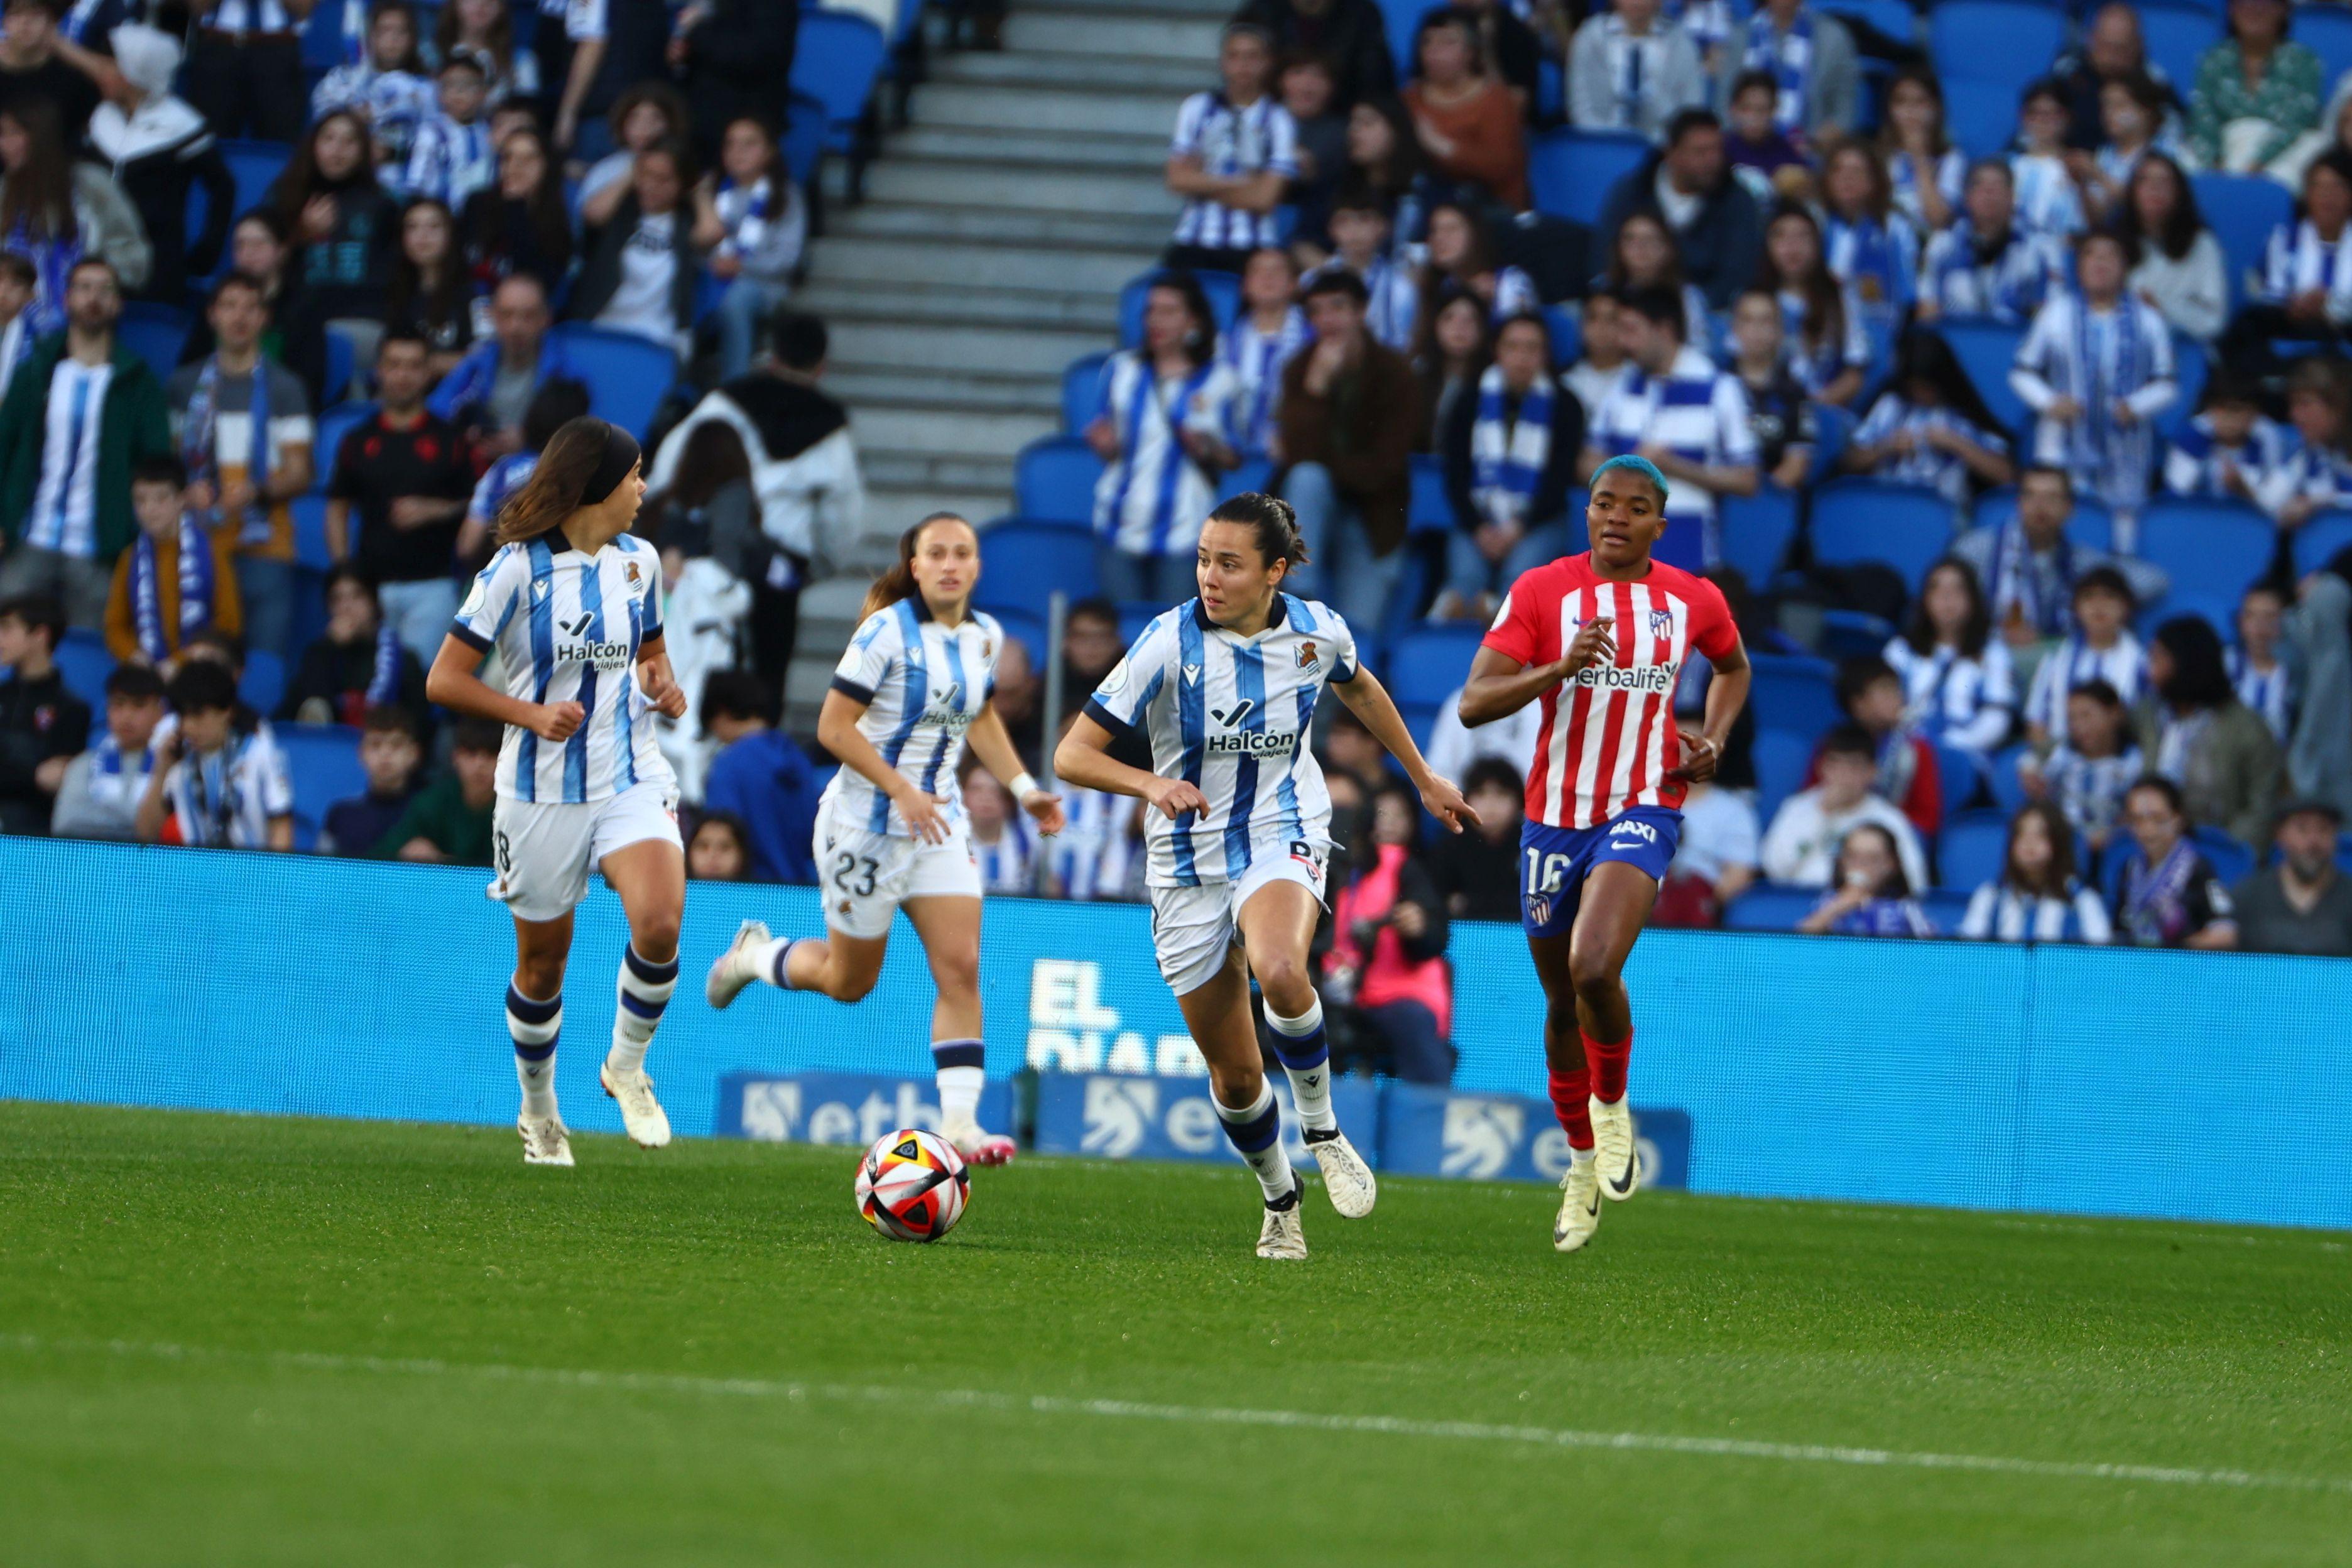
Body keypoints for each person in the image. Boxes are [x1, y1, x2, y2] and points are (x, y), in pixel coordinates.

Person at [1054, 491, 1472, 1259]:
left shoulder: (1318, 632)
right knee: (1238, 1077)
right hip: (1185, 862)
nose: (1210, 577)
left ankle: (1324, 1128)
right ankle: (1282, 1197)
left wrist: (1422, 777)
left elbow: (1362, 687)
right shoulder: (1166, 643)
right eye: (1205, 559)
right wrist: (1151, 784)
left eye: (1230, 564)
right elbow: (1071, 755)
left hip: (1281, 830)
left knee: (1282, 969)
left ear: (1274, 572)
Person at [705, 512, 1067, 1168]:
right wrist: (900, 788)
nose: (952, 564)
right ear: (917, 565)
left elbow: (979, 713)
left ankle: (960, 1121)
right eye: (938, 553)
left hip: (939, 825)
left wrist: (1021, 788)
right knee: (850, 983)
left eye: (964, 553)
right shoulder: (884, 632)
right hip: (864, 828)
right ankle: (755, 957)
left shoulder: (985, 636)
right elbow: (834, 728)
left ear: (977, 567)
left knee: (959, 968)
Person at [1454, 454, 1749, 1254]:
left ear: (1661, 522)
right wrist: (1557, 667)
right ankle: (1580, 1161)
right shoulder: (1544, 591)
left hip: (1645, 802)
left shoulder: (1693, 598)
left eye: (1635, 507)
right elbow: (1475, 702)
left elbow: (1734, 664)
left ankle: (1612, 1104)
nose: (1616, 516)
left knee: (1592, 968)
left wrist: (1714, 739)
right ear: (1585, 513)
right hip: (1554, 819)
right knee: (1559, 1003)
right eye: (1602, 503)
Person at [424, 415, 690, 1167]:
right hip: (540, 791)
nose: (643, 488)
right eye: (635, 474)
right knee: (544, 963)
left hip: (630, 774)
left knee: (661, 922)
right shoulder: (516, 569)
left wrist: (662, 688)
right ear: (598, 486)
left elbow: (653, 654)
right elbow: (444, 679)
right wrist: (531, 714)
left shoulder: (641, 563)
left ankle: (627, 1067)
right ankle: (539, 1107)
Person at [646, 312, 865, 691]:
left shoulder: (723, 404)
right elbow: (842, 518)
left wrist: (663, 533)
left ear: (771, 357)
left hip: (709, 555)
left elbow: (667, 473)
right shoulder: (832, 431)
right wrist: (816, 569)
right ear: (822, 366)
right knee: (765, 683)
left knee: (692, 666)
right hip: (777, 572)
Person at [0, 258, 171, 629]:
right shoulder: (37, 369)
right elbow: (3, 444)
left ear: (119, 304)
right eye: (84, 287)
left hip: (99, 548)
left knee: (90, 656)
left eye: (105, 288)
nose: (94, 297)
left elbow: (156, 463)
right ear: (66, 299)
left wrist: (128, 535)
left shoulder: (138, 382)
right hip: (29, 535)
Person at [165, 272, 317, 662]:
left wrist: (258, 491)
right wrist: (185, 490)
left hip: (266, 547)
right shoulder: (184, 385)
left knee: (263, 664)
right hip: (200, 545)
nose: (240, 317)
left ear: (265, 318)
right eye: (230, 306)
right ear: (213, 315)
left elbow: (302, 473)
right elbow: (170, 463)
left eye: (251, 308)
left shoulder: (286, 387)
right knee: (201, 667)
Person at [1276, 266, 1418, 631]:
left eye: (1337, 308)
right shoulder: (1301, 370)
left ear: (1360, 311)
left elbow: (1384, 468)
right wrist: (1316, 391)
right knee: (1307, 479)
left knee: (1356, 639)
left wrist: (1329, 464)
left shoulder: (1395, 371)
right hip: (1314, 507)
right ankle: (1300, 597)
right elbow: (1297, 459)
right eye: (1317, 311)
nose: (1327, 320)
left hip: (1374, 514)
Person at [1579, 285, 1759, 570]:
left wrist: (1672, 466)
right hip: (1619, 548)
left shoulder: (1719, 388)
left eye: (1631, 330)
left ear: (1663, 330)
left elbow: (1746, 480)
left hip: (1689, 547)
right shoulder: (1622, 386)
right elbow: (1587, 462)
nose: (1623, 342)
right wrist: (1629, 468)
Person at [1086, 271, 1239, 605]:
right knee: (1128, 636)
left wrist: (1205, 447)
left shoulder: (1220, 380)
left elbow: (1233, 457)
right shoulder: (1121, 369)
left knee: (1174, 637)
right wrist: (1104, 443)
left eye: (1170, 311)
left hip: (1186, 526)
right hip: (1119, 518)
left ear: (1193, 320)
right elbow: (1108, 438)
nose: (1157, 320)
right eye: (1152, 310)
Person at [2010, 230, 2178, 532]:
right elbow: (2022, 371)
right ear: (2079, 267)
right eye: (2091, 255)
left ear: (2125, 266)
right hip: (2062, 444)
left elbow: (2167, 382)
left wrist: (2136, 406)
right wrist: (2049, 402)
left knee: (2123, 530)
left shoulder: (2149, 320)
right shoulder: (2055, 314)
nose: (2100, 263)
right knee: (2060, 524)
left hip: (2125, 447)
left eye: (2109, 255)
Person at [325, 330, 477, 660]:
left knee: (416, 691)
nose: (403, 375)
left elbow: (479, 505)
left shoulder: (452, 440)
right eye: (394, 365)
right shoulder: (357, 439)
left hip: (432, 587)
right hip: (370, 589)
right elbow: (337, 507)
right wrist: (345, 574)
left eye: (413, 366)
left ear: (427, 373)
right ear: (378, 370)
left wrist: (437, 510)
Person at [1435, 311, 1582, 621]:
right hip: (1477, 519)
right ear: (1497, 351)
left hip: (1538, 521)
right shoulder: (1469, 399)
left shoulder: (1566, 404)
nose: (1522, 358)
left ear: (1545, 354)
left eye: (1532, 348)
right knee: (1464, 580)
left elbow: (1558, 481)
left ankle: (1502, 626)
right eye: (1513, 347)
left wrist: (1518, 528)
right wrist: (1479, 527)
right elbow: (1456, 475)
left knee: (1520, 580)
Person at [86, 22, 233, 308]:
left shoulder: (182, 125)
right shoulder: (99, 118)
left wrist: (206, 252)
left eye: (111, 66)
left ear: (133, 74)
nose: (102, 73)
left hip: (158, 262)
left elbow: (223, 187)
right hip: (95, 254)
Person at [1326, 780, 1454, 1084]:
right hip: (1333, 993)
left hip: (1397, 995)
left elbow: (1434, 938)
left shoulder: (1407, 869)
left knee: (1413, 1022)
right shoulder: (1331, 870)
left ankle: (1429, 1119)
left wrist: (1418, 927)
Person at [0, 97, 152, 334]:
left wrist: (93, 285)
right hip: (12, 330)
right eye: (3, 135)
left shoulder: (92, 185)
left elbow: (133, 256)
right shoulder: (3, 193)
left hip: (85, 328)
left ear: (42, 139)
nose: (5, 145)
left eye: (14, 134)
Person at [2135, 614, 2283, 848]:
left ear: (2186, 663)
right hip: (2152, 849)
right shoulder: (2149, 716)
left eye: (2158, 657)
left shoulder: (2248, 730)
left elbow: (2262, 809)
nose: (2149, 668)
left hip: (2218, 856)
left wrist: (2225, 854)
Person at [1596, 109, 1763, 311]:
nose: (1713, 161)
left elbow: (1737, 275)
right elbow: (1603, 260)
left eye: (1717, 150)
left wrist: (1685, 309)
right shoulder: (1632, 192)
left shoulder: (1737, 200)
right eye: (1701, 152)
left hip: (1707, 315)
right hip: (1630, 310)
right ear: (1672, 154)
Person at [1164, 24, 1297, 275]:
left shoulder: (1280, 119)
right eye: (1234, 56)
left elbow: (1265, 199)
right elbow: (1176, 179)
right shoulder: (1196, 107)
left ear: (1267, 62)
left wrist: (1201, 183)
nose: (1243, 65)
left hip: (1254, 244)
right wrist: (1247, 182)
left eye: (1252, 57)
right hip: (1193, 238)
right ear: (1223, 62)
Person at [692, 115, 807, 384]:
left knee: (737, 299)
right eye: (730, 145)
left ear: (770, 152)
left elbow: (787, 257)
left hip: (763, 283)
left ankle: (736, 386)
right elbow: (696, 246)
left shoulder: (787, 196)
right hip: (711, 277)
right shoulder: (711, 192)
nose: (737, 153)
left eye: (749, 144)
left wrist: (741, 266)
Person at [133, 655, 291, 850]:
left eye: (198, 715)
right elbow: (146, 833)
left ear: (227, 712)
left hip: (253, 873)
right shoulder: (179, 764)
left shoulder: (259, 753)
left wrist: (273, 878)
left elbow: (281, 827)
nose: (188, 727)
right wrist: (162, 770)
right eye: (183, 716)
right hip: (195, 873)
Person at [1844, 328, 2014, 508]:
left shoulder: (1963, 416)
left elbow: (2007, 476)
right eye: (1914, 387)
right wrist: (1886, 447)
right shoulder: (1889, 406)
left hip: (1944, 513)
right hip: (1886, 506)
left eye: (1926, 387)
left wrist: (1957, 444)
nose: (1921, 394)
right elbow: (1848, 463)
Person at [104, 454, 241, 666]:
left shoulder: (212, 552)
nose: (149, 510)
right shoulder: (130, 558)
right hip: (147, 675)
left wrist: (180, 663)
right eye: (140, 500)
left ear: (181, 500)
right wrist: (135, 657)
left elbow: (228, 623)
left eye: (161, 499)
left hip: (199, 672)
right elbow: (114, 626)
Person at [569, 139, 699, 359]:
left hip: (658, 335)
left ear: (681, 184)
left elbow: (713, 233)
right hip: (603, 324)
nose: (651, 186)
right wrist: (631, 173)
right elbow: (592, 214)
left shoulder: (686, 222)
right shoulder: (620, 210)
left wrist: (699, 193)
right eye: (646, 175)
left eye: (663, 179)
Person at [1760, 722, 1929, 890]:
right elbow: (1774, 869)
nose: (1843, 775)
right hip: (1796, 905)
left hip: (1862, 909)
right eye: (1835, 765)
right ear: (1822, 767)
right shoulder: (1797, 808)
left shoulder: (1889, 818)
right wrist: (1823, 815)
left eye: (1853, 767)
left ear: (1872, 772)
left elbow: (1915, 883)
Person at [2225, 151, 2352, 369]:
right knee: (2247, 325)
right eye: (2319, 187)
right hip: (2294, 327)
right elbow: (2271, 294)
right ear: (2307, 194)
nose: (2327, 197)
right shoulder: (2284, 239)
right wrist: (2296, 307)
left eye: (2337, 187)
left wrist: (2329, 308)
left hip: (2344, 332)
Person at [697, 666, 820, 885]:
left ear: (721, 711)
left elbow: (721, 840)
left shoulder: (728, 766)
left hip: (747, 895)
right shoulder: (798, 758)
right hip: (802, 895)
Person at [1883, 558, 2015, 761]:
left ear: (1973, 599)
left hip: (1966, 757)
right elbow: (1883, 708)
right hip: (1907, 755)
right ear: (1925, 599)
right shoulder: (1899, 650)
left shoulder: (1994, 653)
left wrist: (1947, 748)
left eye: (1957, 590)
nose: (1947, 598)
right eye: (1937, 590)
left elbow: (1997, 719)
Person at [428, 273, 573, 459]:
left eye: (528, 316)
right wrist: (465, 432)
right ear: (493, 316)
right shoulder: (476, 364)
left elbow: (577, 439)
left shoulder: (565, 374)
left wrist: (530, 441)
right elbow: (436, 413)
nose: (516, 327)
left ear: (546, 318)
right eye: (507, 315)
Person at [278, 564, 432, 733]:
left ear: (374, 602)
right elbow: (298, 712)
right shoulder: (319, 655)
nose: (347, 607)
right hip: (327, 751)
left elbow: (420, 724)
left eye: (357, 596)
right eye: (337, 599)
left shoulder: (402, 659)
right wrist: (328, 647)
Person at [1401, 9, 1525, 211]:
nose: (1434, 51)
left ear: (1470, 52)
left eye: (1448, 42)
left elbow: (1500, 168)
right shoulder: (1410, 99)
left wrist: (1441, 146)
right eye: (1427, 42)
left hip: (1489, 210)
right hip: (1425, 203)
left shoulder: (1495, 100)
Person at [2186, 0, 2322, 182]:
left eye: (2264, 3)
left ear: (2284, 10)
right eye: (2244, 3)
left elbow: (2297, 122)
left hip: (2282, 153)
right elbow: (2203, 117)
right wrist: (2215, 162)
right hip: (2225, 150)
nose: (2254, 10)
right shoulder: (2213, 59)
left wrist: (2257, 163)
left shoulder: (2304, 61)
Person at [1916, 160, 2064, 326]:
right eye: (1980, 186)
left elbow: (2048, 315)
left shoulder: (2038, 249)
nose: (1989, 193)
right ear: (1967, 197)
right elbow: (1928, 310)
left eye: (1998, 186)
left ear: (2012, 197)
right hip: (1956, 342)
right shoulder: (1943, 246)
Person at [1753, 201, 1865, 406]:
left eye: (1802, 237)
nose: (1792, 247)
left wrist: (1817, 406)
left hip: (1825, 410)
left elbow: (1855, 373)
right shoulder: (1755, 299)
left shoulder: (1838, 297)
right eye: (1781, 237)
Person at [2021, 565, 2146, 749]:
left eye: (2109, 596)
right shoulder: (2056, 660)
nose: (2098, 605)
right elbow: (2037, 722)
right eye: (2088, 597)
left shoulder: (2141, 664)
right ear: (2076, 609)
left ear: (2126, 607)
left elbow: (2148, 727)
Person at [2020, 676, 2142, 856]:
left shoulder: (2133, 762)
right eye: (2072, 719)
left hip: (2111, 848)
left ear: (2115, 714)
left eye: (2086, 715)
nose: (2079, 726)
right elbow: (2033, 759)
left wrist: (2113, 833)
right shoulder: (2063, 755)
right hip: (2062, 845)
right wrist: (2030, 772)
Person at [2112, 775, 2237, 949]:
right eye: (2138, 820)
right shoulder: (2129, 869)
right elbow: (2118, 931)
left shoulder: (2198, 868)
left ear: (2178, 819)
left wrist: (2180, 952)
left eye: (2157, 819)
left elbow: (2226, 932)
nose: (2148, 830)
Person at [1959, 801, 2111, 943]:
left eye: (2040, 835)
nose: (2029, 843)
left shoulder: (2083, 901)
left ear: (2059, 843)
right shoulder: (1990, 897)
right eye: (2021, 834)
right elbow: (1966, 957)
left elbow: (2102, 961)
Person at [669, 0, 799, 165]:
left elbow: (758, 56)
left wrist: (698, 32)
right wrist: (682, 54)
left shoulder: (774, 6)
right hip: (697, 119)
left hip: (743, 118)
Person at [311, 0, 437, 170]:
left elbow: (435, 139)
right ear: (371, 35)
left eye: (401, 32)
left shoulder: (427, 90)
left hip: (401, 180)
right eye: (385, 31)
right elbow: (321, 123)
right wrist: (352, 117)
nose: (393, 39)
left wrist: (393, 150)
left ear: (412, 38)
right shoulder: (342, 79)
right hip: (345, 174)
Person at [0, 589, 87, 832]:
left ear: (40, 635)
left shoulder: (73, 710)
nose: (0, 639)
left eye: (7, 629)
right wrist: (34, 775)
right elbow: (43, 777)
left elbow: (56, 783)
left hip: (34, 832)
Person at [48, 658, 161, 841]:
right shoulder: (83, 764)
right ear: (108, 708)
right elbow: (65, 824)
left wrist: (101, 819)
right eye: (119, 704)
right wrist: (132, 823)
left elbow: (159, 833)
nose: (127, 716)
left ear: (160, 710)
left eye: (139, 705)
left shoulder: (169, 767)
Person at [1724, 0, 1858, 150]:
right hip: (1742, 154)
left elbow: (1844, 113)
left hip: (1810, 155)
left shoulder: (1833, 38)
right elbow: (1724, 105)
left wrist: (1812, 144)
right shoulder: (1739, 36)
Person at [1568, 0, 1706, 146]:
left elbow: (1692, 106)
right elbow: (1581, 106)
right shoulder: (1591, 37)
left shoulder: (1681, 42)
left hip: (1663, 146)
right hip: (1601, 144)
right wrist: (1605, 142)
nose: (1639, 3)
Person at [2116, 155, 2221, 344]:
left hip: (2180, 345)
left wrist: (2164, 309)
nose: (2154, 189)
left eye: (2164, 182)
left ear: (2179, 193)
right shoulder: (2114, 242)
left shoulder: (2202, 245)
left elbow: (2214, 321)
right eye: (2144, 180)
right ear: (2132, 191)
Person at [1836, 654, 1941, 841]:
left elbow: (1927, 820)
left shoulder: (1917, 750)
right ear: (1858, 704)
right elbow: (1816, 799)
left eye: (1897, 690)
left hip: (1893, 841)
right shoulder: (1835, 747)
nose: (1897, 698)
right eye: (1885, 691)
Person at [459, 126, 574, 296]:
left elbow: (539, 281)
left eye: (528, 159)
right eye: (507, 158)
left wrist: (516, 206)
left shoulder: (561, 217)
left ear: (547, 166)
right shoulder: (477, 203)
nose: (514, 166)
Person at [2232, 797, 2352, 956]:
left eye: (2323, 829)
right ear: (2280, 835)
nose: (2313, 841)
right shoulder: (2248, 895)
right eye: (2302, 829)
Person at [1219, 246, 1309, 459]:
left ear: (1294, 284)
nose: (1268, 277)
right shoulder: (1224, 344)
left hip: (1294, 455)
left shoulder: (1314, 341)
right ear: (1244, 286)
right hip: (1232, 458)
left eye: (1277, 271)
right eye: (1258, 271)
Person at [1231, 0, 1395, 112]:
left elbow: (1375, 81)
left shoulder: (1362, 13)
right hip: (1267, 119)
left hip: (1342, 125)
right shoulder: (1260, 11)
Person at [377, 714, 499, 863]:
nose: (480, 764)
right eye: (471, 753)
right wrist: (408, 850)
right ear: (455, 758)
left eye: (491, 755)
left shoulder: (515, 809)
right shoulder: (431, 803)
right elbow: (382, 854)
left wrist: (445, 862)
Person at [1817, 136, 1915, 319]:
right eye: (1838, 170)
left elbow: (1907, 297)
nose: (1847, 178)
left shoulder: (1894, 228)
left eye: (1856, 171)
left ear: (1874, 181)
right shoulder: (1816, 224)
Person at [1312, 184, 1416, 351]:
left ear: (1383, 227)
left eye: (1365, 220)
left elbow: (1404, 344)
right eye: (1344, 221)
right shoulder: (1312, 282)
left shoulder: (1400, 288)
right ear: (1331, 229)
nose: (1355, 231)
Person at [575, 82, 690, 229]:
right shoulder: (606, 169)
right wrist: (634, 171)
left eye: (655, 119)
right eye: (635, 119)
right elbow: (593, 216)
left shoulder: (683, 167)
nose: (644, 128)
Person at [383, 197, 476, 378]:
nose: (423, 235)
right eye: (413, 227)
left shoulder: (473, 292)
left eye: (434, 226)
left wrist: (427, 364)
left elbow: (486, 357)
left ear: (451, 234)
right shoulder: (395, 293)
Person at [2163, 373, 2287, 505]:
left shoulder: (2267, 435)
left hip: (2249, 517)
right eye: (2222, 409)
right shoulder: (2194, 433)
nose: (2229, 419)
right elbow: (2177, 493)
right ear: (2210, 409)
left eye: (2237, 410)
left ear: (2255, 413)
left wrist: (2242, 490)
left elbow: (2275, 502)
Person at [1426, 754, 1523, 922]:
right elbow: (1435, 905)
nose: (1490, 804)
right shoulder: (1449, 847)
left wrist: (1468, 904)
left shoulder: (1533, 847)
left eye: (1501, 794)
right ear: (1465, 800)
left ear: (1519, 801)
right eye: (1481, 794)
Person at [317, 702, 422, 857]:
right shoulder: (341, 816)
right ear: (361, 753)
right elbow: (322, 873)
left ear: (414, 753)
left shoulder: (428, 815)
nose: (385, 754)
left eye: (396, 745)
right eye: (375, 745)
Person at [1651, 774, 1756, 927]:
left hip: (1706, 904)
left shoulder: (1733, 809)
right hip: (1651, 896)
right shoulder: (1646, 805)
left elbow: (1739, 874)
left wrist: (1697, 899)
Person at [1795, 821, 1934, 937]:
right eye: (1852, 856)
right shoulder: (1826, 903)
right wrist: (1838, 906)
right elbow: (1797, 945)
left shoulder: (1906, 910)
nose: (1861, 866)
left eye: (1872, 859)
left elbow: (1930, 953)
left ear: (1891, 864)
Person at [2259, 356, 2352, 526]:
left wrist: (2320, 504)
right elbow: (2268, 503)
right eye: (2293, 405)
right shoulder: (2305, 455)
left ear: (2339, 407)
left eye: (2305, 404)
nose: (2294, 416)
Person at [398, 55, 496, 210]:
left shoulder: (490, 132)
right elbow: (417, 181)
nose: (459, 92)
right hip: (440, 213)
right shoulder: (431, 133)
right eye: (451, 85)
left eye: (468, 85)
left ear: (483, 93)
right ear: (440, 93)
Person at [1880, 68, 1964, 237]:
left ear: (1936, 108)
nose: (1910, 111)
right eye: (1901, 102)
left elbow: (1939, 219)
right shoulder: (1880, 157)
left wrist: (1919, 158)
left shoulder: (1952, 159)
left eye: (1920, 102)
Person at [2009, 80, 2088, 242]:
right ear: (2023, 117)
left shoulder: (2081, 166)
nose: (2043, 121)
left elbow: (2086, 224)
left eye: (2052, 114)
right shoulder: (2008, 166)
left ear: (2067, 118)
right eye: (2035, 114)